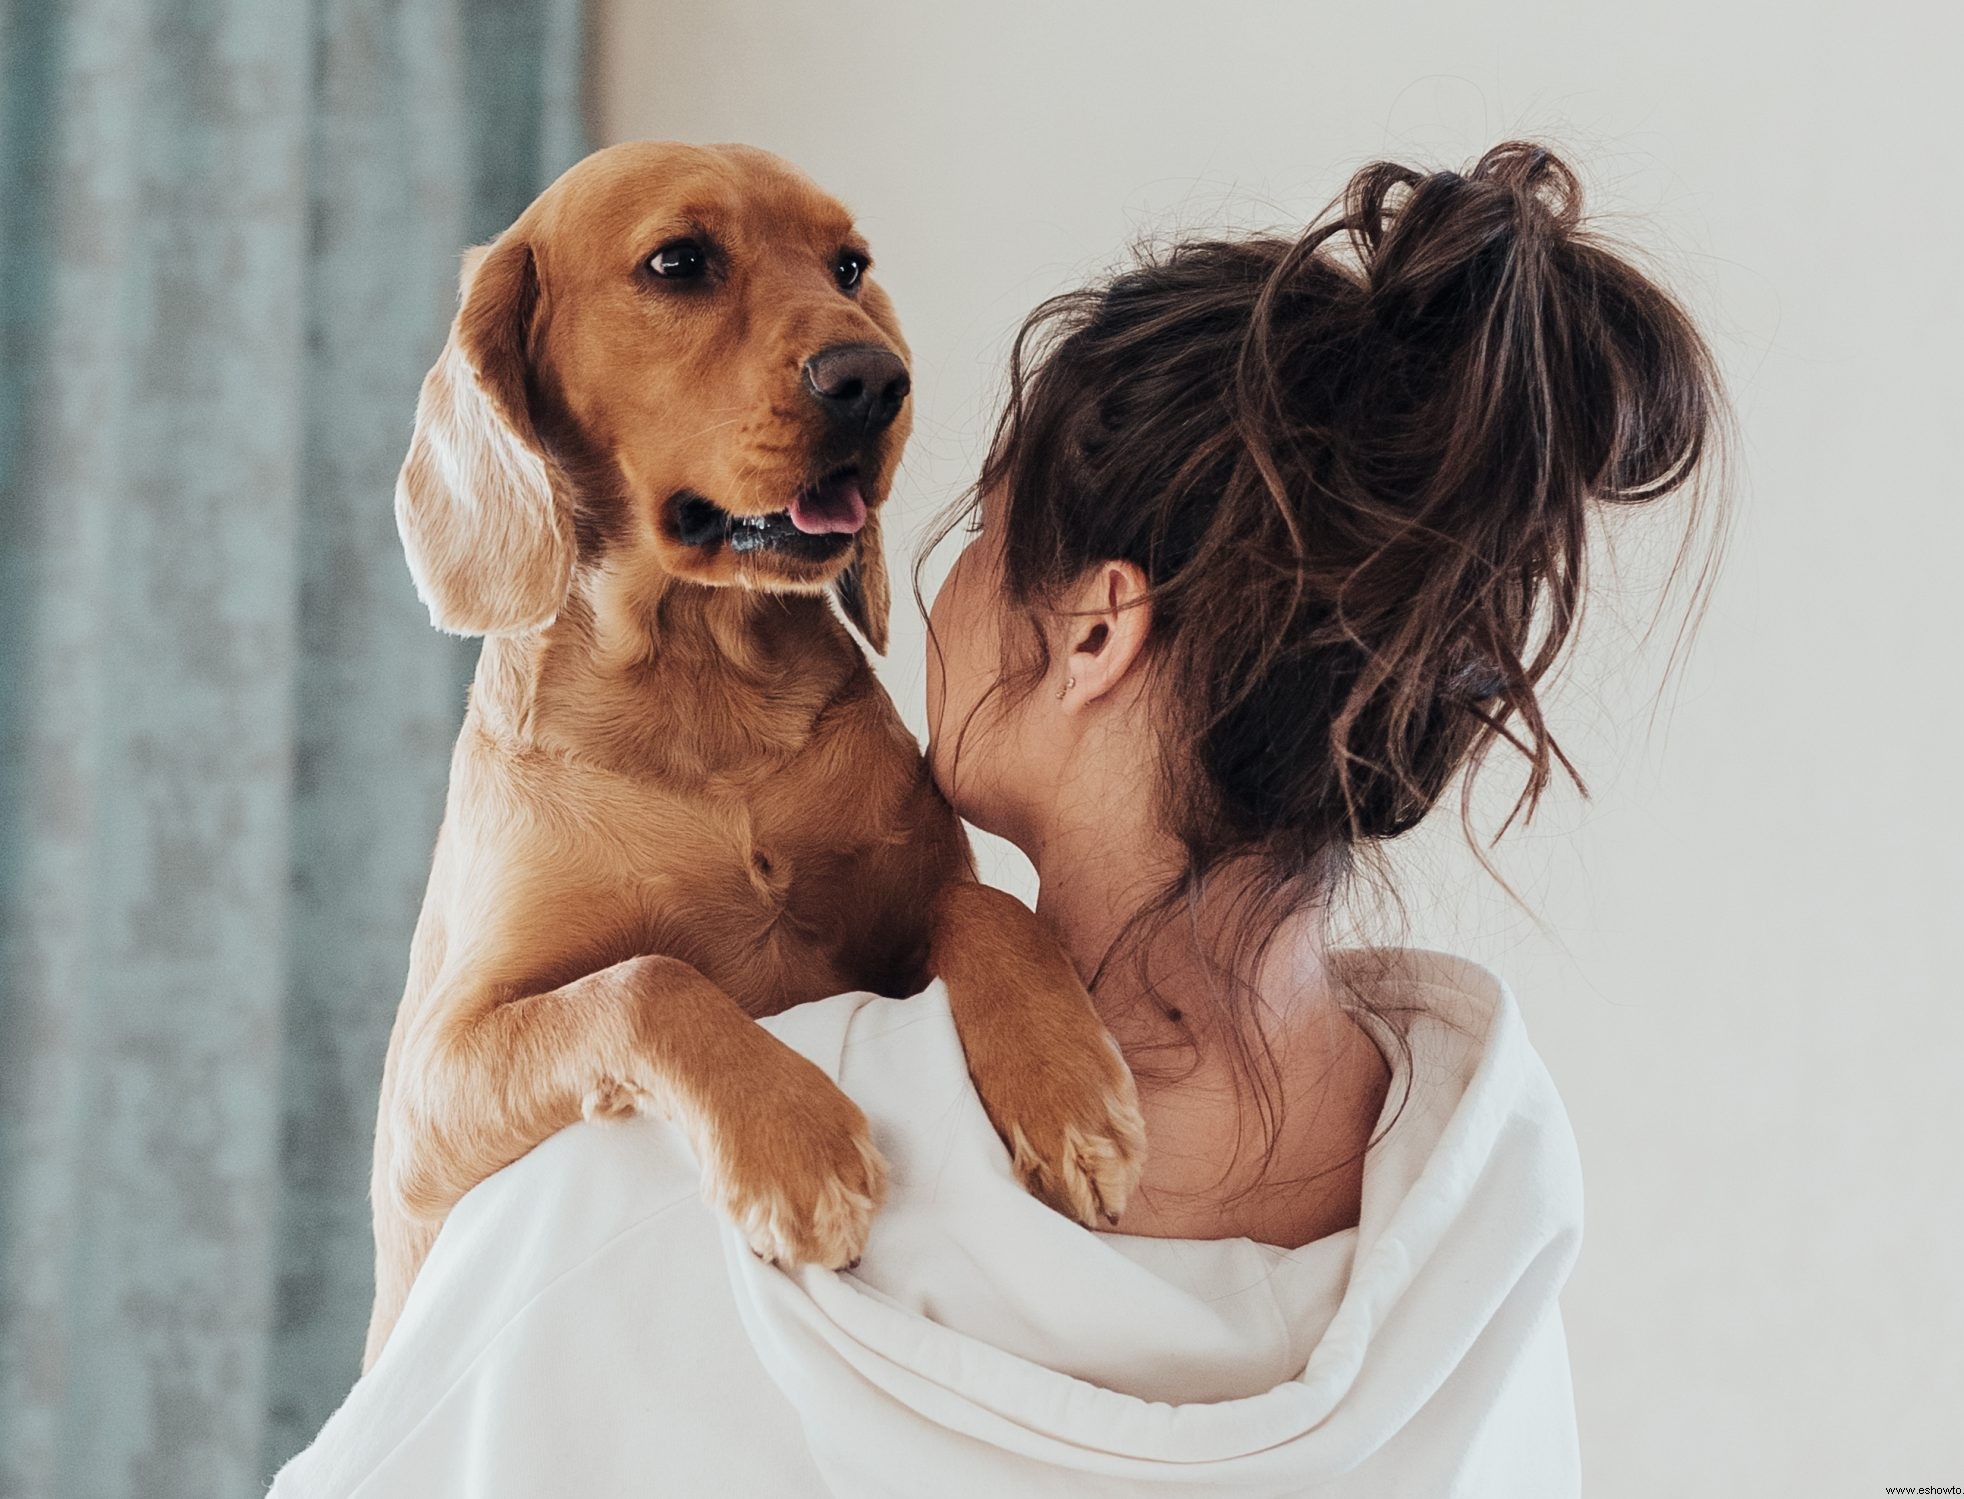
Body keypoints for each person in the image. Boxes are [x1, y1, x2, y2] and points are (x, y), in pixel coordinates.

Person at [272, 140, 1723, 1498]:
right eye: (683, 269)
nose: (855, 364)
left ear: (1098, 631)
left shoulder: (614, 1223)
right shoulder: (1493, 1247)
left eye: (981, 521)